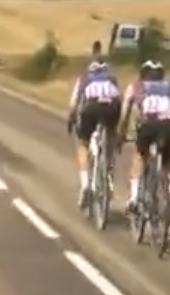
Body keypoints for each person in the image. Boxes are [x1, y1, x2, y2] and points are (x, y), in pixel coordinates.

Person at [119, 60, 170, 220]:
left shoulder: (136, 85)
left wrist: (121, 135)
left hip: (149, 123)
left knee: (139, 156)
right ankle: (169, 197)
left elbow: (125, 113)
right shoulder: (169, 86)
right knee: (167, 164)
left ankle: (134, 198)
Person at [65, 44, 122, 208]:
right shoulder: (112, 78)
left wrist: (71, 119)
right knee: (110, 140)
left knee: (83, 142)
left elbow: (74, 103)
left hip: (91, 107)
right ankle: (109, 179)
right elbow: (120, 98)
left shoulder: (84, 78)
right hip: (112, 107)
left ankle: (85, 185)